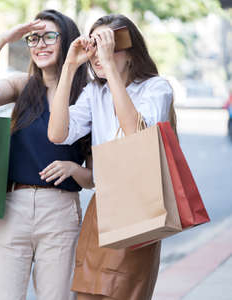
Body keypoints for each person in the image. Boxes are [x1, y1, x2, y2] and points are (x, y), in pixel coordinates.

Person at [45, 14, 177, 300]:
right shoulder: (95, 92)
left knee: (122, 292)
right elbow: (57, 134)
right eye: (95, 45)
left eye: (110, 45)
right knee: (86, 292)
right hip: (101, 206)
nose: (99, 54)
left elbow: (135, 135)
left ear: (131, 52)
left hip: (139, 204)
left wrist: (111, 69)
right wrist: (69, 67)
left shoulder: (156, 88)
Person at [0, 9, 93, 300]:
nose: (40, 44)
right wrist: (0, 41)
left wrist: (73, 168)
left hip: (60, 212)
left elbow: (94, 177)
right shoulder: (22, 86)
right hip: (10, 208)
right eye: (33, 38)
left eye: (50, 36)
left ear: (68, 41)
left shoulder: (87, 96)